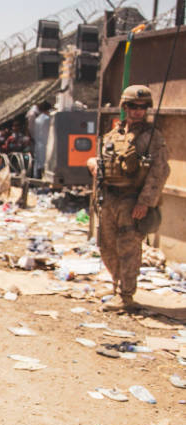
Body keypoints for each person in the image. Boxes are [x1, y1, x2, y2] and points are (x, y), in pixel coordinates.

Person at [87, 85, 170, 312]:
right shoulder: (113, 135)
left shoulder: (152, 137)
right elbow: (101, 160)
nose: (138, 111)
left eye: (143, 107)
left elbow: (160, 171)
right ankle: (116, 285)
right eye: (133, 106)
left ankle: (126, 296)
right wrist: (92, 163)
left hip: (131, 201)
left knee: (128, 247)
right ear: (125, 107)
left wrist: (145, 201)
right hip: (109, 198)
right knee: (106, 245)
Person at [33, 102, 52, 178]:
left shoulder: (37, 119)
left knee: (38, 163)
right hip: (45, 144)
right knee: (44, 164)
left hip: (38, 144)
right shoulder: (47, 119)